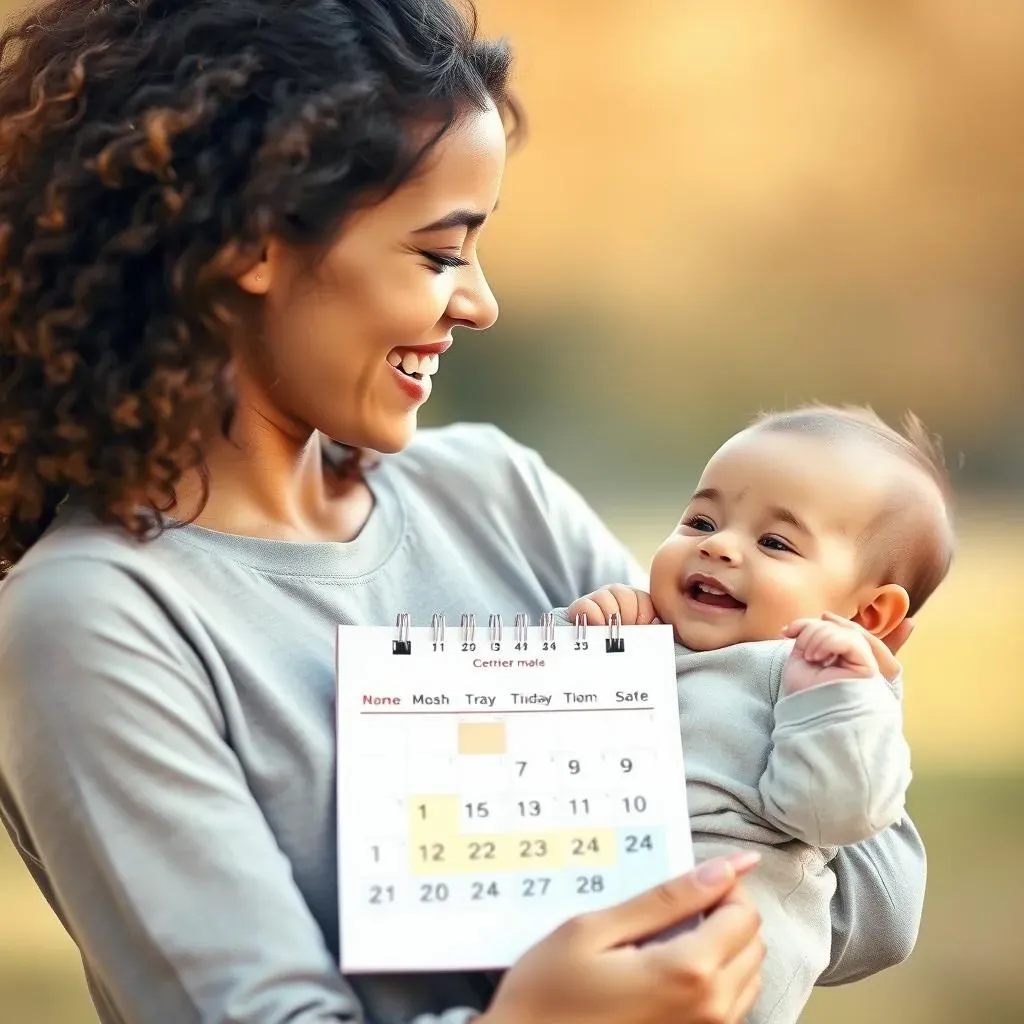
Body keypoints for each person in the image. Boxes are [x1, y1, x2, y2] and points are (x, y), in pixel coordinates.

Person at [0, 1, 917, 1021]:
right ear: (250, 242)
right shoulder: (93, 616)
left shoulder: (493, 492)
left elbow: (880, 892)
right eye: (440, 253)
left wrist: (815, 747)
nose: (479, 303)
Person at [567, 404, 953, 1023]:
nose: (717, 546)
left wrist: (833, 694)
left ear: (868, 616)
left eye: (775, 541)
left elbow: (838, 813)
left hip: (724, 949)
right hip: (587, 900)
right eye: (700, 520)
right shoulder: (646, 637)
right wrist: (583, 633)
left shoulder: (821, 681)